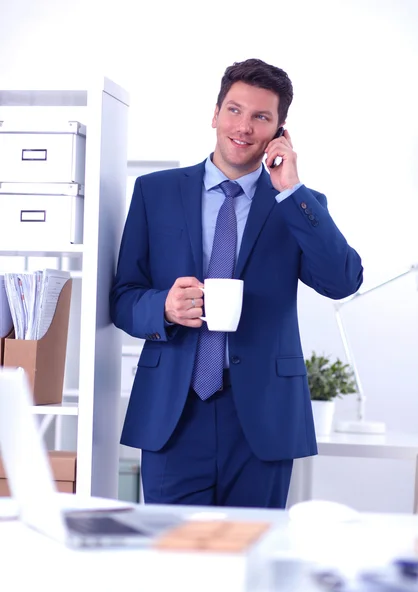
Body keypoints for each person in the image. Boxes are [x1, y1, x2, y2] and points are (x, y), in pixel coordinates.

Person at [110, 58, 363, 509]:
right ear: (215, 114)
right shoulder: (155, 192)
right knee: (172, 558)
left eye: (261, 117)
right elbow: (124, 297)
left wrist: (291, 190)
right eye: (234, 110)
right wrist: (163, 308)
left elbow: (343, 280)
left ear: (280, 131)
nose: (243, 127)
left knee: (252, 566)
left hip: (262, 418)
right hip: (174, 411)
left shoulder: (297, 205)